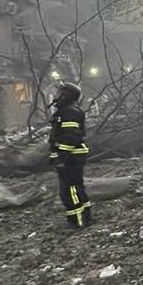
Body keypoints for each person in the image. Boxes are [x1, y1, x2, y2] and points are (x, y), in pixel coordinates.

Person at [48, 81, 92, 229]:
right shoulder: (66, 111)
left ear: (66, 96)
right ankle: (83, 218)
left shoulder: (70, 112)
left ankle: (78, 221)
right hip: (70, 156)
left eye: (59, 93)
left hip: (71, 157)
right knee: (73, 188)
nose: (55, 96)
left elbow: (69, 138)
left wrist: (61, 158)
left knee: (71, 190)